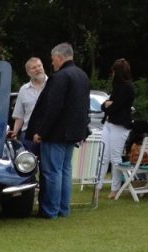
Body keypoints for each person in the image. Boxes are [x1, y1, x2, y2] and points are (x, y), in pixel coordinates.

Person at [32, 43, 91, 218]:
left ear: (59, 57)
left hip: (56, 133)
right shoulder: (82, 75)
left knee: (52, 172)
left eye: (52, 60)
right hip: (73, 132)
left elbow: (53, 107)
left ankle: (51, 210)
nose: (52, 63)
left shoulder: (60, 77)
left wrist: (41, 131)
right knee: (65, 170)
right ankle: (64, 209)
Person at [98, 58, 136, 199]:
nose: (112, 74)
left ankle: (115, 188)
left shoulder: (128, 88)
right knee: (103, 156)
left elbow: (115, 107)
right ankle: (99, 184)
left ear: (117, 72)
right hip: (108, 124)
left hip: (119, 126)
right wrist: (107, 105)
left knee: (115, 157)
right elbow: (104, 105)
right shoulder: (118, 87)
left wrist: (109, 105)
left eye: (113, 71)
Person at [10, 57, 47, 154]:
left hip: (48, 134)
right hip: (28, 135)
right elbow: (19, 115)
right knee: (27, 167)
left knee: (49, 167)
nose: (38, 69)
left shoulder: (53, 84)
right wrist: (14, 133)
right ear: (28, 72)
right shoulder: (23, 90)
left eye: (39, 66)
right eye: (33, 68)